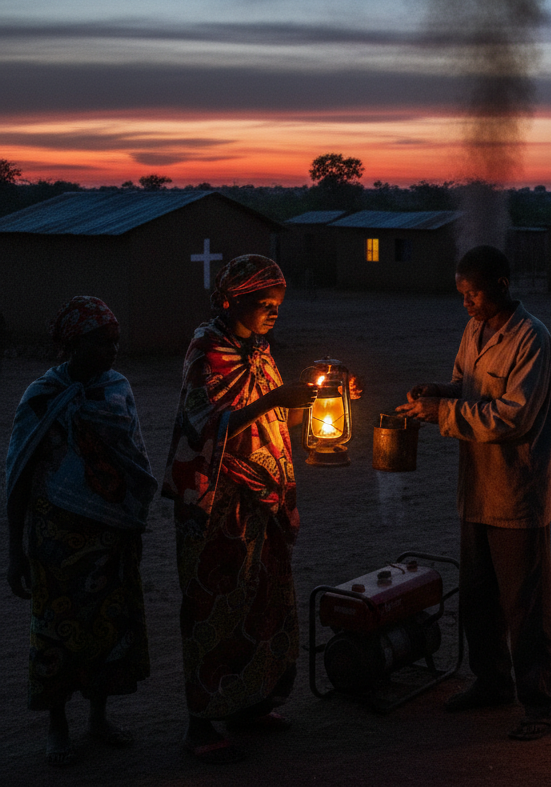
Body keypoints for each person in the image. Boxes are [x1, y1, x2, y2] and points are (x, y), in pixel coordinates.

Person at [163, 254, 360, 764]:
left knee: (261, 602)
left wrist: (326, 397)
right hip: (217, 503)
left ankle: (248, 703)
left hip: (261, 500)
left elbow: (272, 420)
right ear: (233, 300)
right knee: (216, 605)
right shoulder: (207, 349)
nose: (273, 312)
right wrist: (276, 399)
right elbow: (206, 423)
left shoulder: (258, 350)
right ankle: (200, 722)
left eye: (277, 304)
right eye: (263, 303)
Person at [397, 245, 551, 741]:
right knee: (479, 596)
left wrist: (442, 416)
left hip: (515, 490)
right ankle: (492, 682)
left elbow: (511, 416)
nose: (465, 303)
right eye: (461, 295)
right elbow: (464, 383)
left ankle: (541, 704)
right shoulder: (475, 329)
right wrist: (439, 392)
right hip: (477, 487)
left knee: (523, 604)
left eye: (472, 294)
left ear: (502, 286)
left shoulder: (532, 338)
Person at [6, 297, 157, 767]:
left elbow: (133, 460)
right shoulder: (42, 397)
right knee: (55, 633)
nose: (112, 351)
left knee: (108, 629)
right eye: (101, 342)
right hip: (57, 540)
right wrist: (15, 551)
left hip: (110, 538)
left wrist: (131, 518)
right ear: (73, 344)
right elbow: (18, 475)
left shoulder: (117, 389)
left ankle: (98, 717)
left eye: (114, 342)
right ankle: (58, 727)